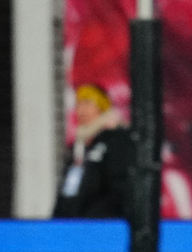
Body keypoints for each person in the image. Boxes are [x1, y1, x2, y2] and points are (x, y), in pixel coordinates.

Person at [53, 84, 132, 218]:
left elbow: (120, 189)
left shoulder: (116, 139)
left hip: (99, 227)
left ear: (102, 107)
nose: (81, 110)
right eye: (78, 104)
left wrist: (92, 218)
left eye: (88, 103)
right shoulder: (78, 146)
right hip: (71, 227)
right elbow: (67, 190)